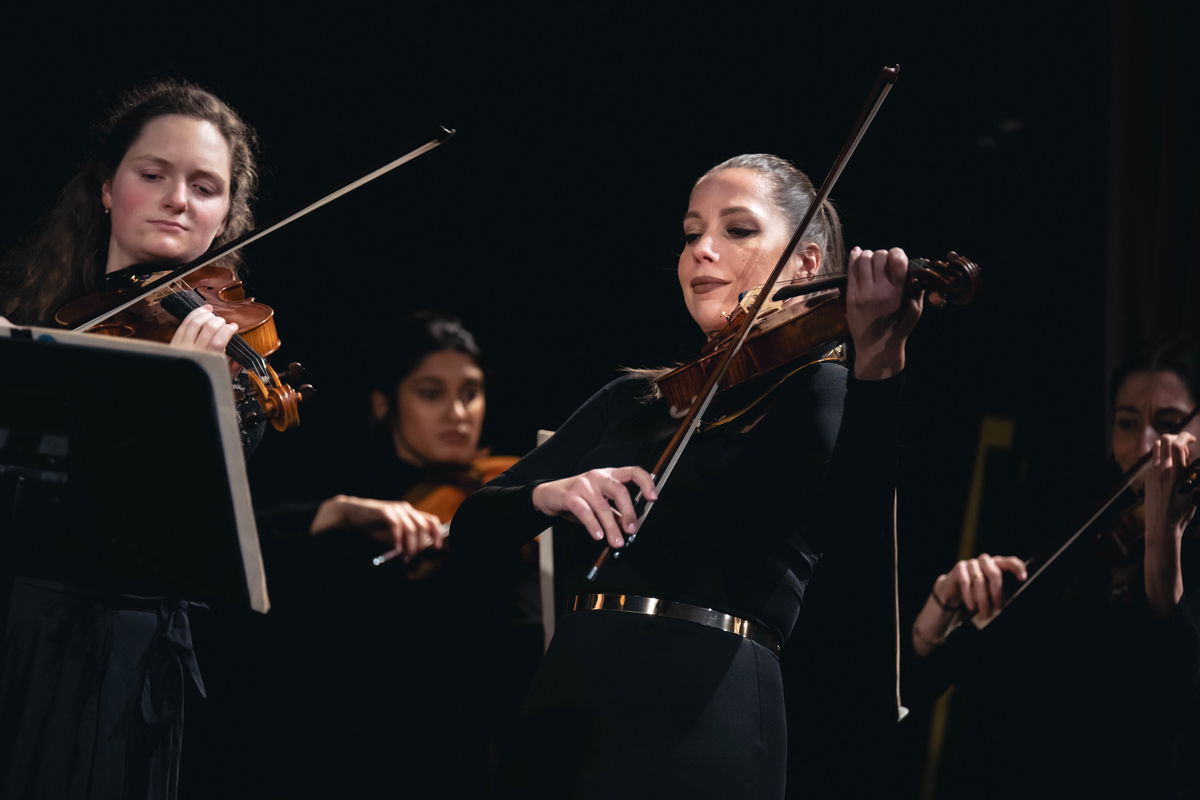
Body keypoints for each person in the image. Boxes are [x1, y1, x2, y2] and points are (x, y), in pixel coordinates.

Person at [451, 153, 924, 798]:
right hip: (569, 701)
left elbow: (853, 526)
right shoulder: (635, 399)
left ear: (807, 264)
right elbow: (469, 529)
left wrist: (881, 363)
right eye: (691, 231)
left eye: (738, 229)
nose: (702, 248)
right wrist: (546, 494)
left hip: (708, 704)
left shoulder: (823, 389)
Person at [0, 80, 265, 799]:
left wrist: (183, 396)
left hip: (122, 655)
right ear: (107, 188)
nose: (178, 200)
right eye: (153, 175)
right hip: (18, 625)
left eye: (204, 187)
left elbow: (176, 531)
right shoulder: (30, 318)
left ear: (225, 218)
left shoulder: (232, 362)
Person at [243, 312, 538, 798]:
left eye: (470, 393)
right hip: (362, 758)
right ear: (386, 404)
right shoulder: (350, 498)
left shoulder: (503, 493)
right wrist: (339, 512)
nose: (457, 413)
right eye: (431, 393)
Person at [909, 340, 1200, 799]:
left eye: (1167, 425)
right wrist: (938, 612)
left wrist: (1164, 536)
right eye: (1127, 422)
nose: (1146, 445)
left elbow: (1169, 693)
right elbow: (945, 678)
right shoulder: (1081, 525)